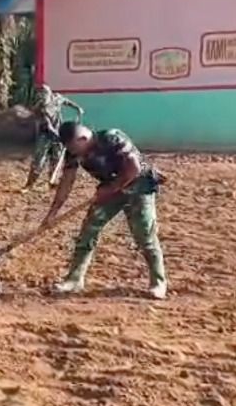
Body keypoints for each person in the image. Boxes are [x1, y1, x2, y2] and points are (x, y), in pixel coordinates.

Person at [41, 122, 168, 300]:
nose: (75, 153)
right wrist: (53, 213)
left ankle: (158, 282)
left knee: (144, 234)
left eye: (75, 147)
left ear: (83, 138)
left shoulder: (112, 138)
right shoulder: (73, 152)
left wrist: (111, 189)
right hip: (110, 190)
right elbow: (66, 182)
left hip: (139, 186)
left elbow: (134, 168)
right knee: (88, 231)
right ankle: (74, 280)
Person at [22, 84, 83, 192]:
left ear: (49, 94)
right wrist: (59, 137)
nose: (42, 97)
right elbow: (48, 126)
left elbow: (66, 101)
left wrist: (77, 108)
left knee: (56, 158)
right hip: (45, 135)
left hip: (58, 131)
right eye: (40, 95)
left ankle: (52, 182)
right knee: (39, 160)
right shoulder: (40, 108)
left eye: (44, 94)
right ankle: (29, 184)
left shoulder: (57, 98)